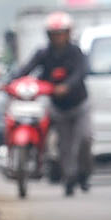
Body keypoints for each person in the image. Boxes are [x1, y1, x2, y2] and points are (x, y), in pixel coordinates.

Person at [16, 11, 92, 196]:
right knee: (64, 145)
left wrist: (66, 86)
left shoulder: (75, 52)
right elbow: (26, 69)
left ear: (68, 33)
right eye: (54, 34)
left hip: (79, 105)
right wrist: (13, 82)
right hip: (58, 107)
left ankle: (84, 173)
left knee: (85, 139)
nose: (58, 37)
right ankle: (69, 178)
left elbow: (80, 73)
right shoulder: (43, 54)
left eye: (61, 33)